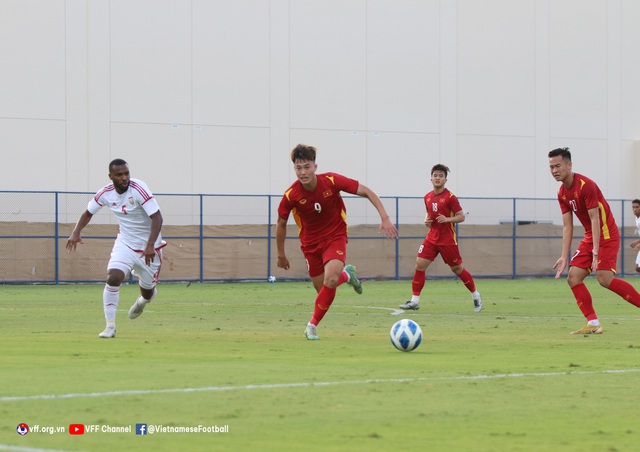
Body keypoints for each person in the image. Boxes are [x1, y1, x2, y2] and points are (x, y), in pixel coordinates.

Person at [276, 144, 399, 340]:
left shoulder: (331, 180)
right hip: (310, 245)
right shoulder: (291, 195)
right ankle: (348, 276)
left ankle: (311, 326)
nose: (303, 172)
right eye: (298, 168)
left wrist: (384, 217)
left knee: (330, 279)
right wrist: (281, 254)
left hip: (335, 236)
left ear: (315, 166)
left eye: (307, 166)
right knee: (323, 289)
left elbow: (367, 191)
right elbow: (281, 224)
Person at [66, 159, 165, 338]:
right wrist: (76, 233)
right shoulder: (106, 193)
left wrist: (150, 245)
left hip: (150, 248)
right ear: (110, 176)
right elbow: (88, 212)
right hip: (125, 243)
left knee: (148, 292)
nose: (124, 177)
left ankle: (142, 301)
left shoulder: (138, 188)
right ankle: (110, 327)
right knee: (114, 277)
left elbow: (157, 217)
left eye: (126, 173)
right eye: (119, 174)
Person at [549, 147, 640, 334]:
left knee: (604, 279)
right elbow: (568, 226)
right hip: (591, 236)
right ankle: (593, 323)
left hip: (607, 234)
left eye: (558, 166)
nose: (554, 170)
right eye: (551, 167)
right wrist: (564, 256)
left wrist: (596, 251)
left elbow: (595, 219)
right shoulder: (561, 193)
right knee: (573, 277)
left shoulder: (585, 185)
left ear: (569, 165)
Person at [399, 164, 482, 312]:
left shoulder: (450, 198)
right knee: (419, 264)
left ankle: (476, 295)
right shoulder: (427, 197)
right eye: (435, 175)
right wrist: (426, 221)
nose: (437, 178)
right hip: (431, 238)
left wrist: (448, 220)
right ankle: (414, 301)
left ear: (445, 180)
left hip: (447, 240)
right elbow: (428, 213)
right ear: (431, 178)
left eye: (441, 176)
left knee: (457, 269)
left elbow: (461, 217)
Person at [629, 199, 640, 273]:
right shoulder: (637, 218)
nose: (635, 209)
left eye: (637, 207)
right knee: (637, 268)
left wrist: (637, 242)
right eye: (633, 207)